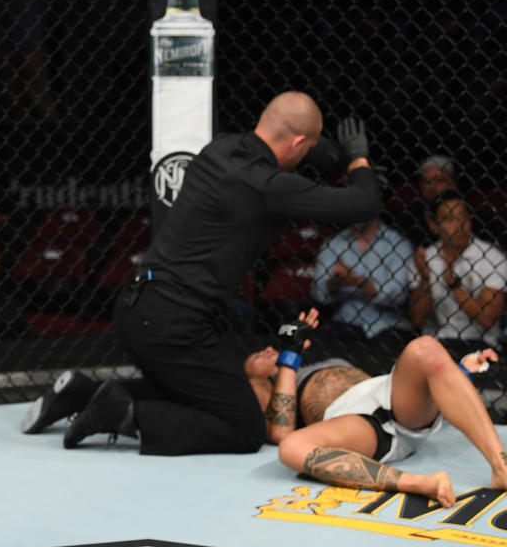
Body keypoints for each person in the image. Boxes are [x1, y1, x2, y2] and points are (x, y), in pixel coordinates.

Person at [34, 92, 381, 455]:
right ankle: (128, 414)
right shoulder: (268, 186)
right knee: (244, 426)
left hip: (137, 307)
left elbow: (298, 143)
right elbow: (364, 203)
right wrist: (358, 159)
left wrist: (329, 154)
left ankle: (82, 393)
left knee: (198, 393)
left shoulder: (219, 150)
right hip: (176, 324)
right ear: (298, 142)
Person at [246, 308, 507, 508]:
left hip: (391, 400)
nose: (267, 350)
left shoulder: (306, 366)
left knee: (425, 348)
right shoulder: (268, 385)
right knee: (291, 446)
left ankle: (501, 466)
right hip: (357, 425)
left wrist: (457, 374)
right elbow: (280, 431)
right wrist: (289, 354)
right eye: (258, 355)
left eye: (269, 349)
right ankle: (419, 483)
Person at [309, 214, 416, 367]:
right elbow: (318, 292)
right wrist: (335, 282)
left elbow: (398, 295)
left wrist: (359, 282)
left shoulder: (398, 244)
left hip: (388, 325)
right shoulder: (335, 243)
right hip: (345, 321)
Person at [409, 191, 506, 357]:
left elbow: (487, 320)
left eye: (463, 217)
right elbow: (417, 320)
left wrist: (455, 286)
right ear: (433, 225)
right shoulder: (426, 258)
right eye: (449, 219)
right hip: (438, 342)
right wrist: (425, 279)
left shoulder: (491, 257)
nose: (459, 225)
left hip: (483, 345)